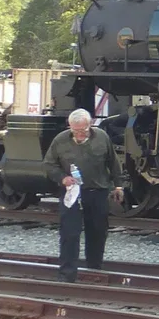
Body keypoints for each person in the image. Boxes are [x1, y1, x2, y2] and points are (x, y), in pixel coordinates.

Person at [42, 108, 123, 282]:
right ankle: (67, 275)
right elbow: (49, 165)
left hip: (97, 192)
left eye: (83, 130)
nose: (79, 134)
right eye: (75, 130)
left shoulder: (102, 137)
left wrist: (119, 186)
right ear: (70, 126)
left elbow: (113, 163)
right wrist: (62, 178)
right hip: (72, 194)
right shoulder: (60, 140)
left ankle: (94, 270)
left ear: (90, 124)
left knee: (98, 233)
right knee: (70, 233)